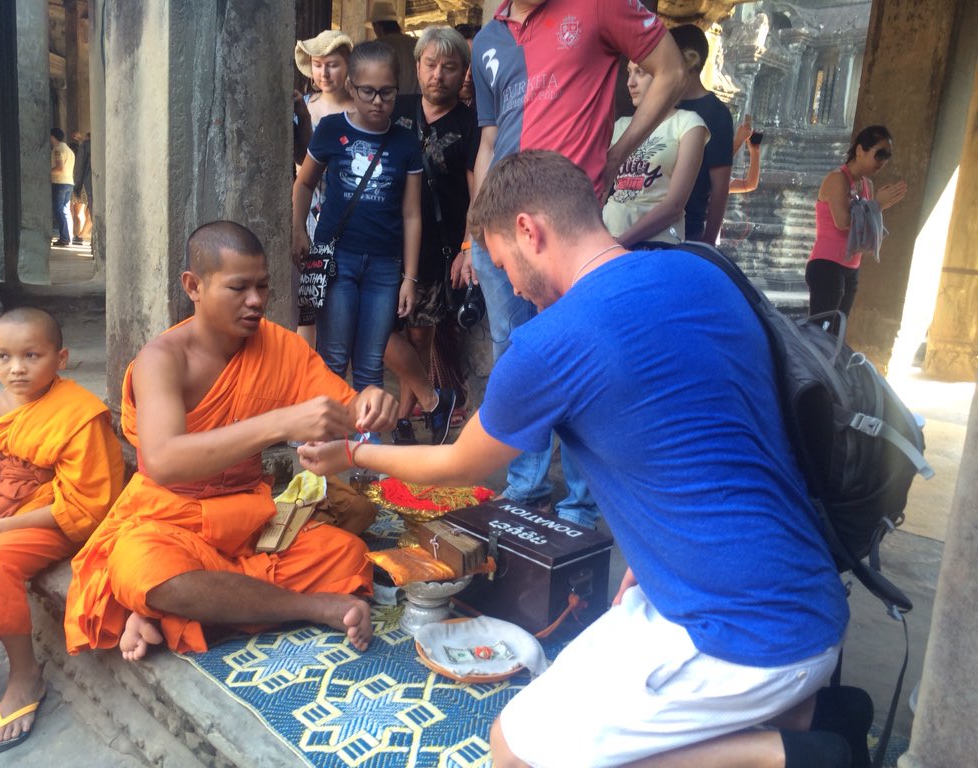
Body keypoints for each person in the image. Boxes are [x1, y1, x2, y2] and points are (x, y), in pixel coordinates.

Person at [298, 151, 854, 768]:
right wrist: (654, 552)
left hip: (743, 636)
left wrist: (354, 452)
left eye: (503, 261)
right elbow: (715, 433)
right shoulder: (700, 274)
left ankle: (789, 753)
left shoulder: (552, 342)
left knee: (514, 751)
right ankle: (810, 713)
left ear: (531, 231)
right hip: (804, 596)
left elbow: (457, 465)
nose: (506, 283)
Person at [63, 222, 398, 662]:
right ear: (194, 286)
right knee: (144, 568)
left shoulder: (280, 347)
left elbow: (345, 411)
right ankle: (312, 608)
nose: (256, 301)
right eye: (239, 287)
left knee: (347, 555)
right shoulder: (162, 359)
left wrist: (372, 402)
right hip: (169, 519)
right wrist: (278, 423)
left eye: (263, 286)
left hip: (249, 520)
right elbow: (161, 461)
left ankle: (173, 612)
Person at [464, 0, 686, 529]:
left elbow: (670, 72)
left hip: (562, 229)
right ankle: (525, 490)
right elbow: (490, 139)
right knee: (516, 355)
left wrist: (616, 152)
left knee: (582, 361)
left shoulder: (598, 5)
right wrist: (474, 227)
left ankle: (581, 506)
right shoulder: (489, 38)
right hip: (500, 228)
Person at [0, 308, 124, 753]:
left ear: (61, 358)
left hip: (56, 517)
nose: (17, 368)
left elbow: (88, 503)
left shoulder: (82, 414)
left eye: (32, 355)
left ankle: (26, 676)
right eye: (3, 356)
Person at [292, 42, 423, 392]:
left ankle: (365, 441)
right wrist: (298, 231)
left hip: (384, 266)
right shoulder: (331, 129)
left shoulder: (407, 143)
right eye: (368, 92)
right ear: (352, 87)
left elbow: (412, 214)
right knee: (333, 359)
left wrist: (409, 278)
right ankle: (325, 441)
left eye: (387, 92)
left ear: (398, 89)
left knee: (370, 364)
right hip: (336, 260)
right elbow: (304, 184)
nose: (378, 101)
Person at [384, 25, 479, 446]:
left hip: (435, 249)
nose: (437, 74)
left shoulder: (471, 123)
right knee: (372, 331)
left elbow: (478, 190)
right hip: (384, 240)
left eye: (449, 66)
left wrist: (468, 245)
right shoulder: (395, 110)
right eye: (430, 64)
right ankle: (431, 398)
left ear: (463, 74)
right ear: (416, 66)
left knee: (420, 334)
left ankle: (403, 418)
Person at [291, 29, 356, 341]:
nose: (324, 72)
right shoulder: (303, 106)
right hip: (309, 216)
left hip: (349, 218)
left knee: (340, 302)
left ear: (347, 66)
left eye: (332, 64)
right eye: (318, 64)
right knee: (308, 303)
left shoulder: (361, 111)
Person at [602, 60, 708, 246]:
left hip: (657, 243)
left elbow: (674, 206)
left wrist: (619, 245)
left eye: (640, 72)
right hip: (606, 236)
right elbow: (599, 189)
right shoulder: (620, 125)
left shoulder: (687, 123)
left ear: (664, 78)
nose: (630, 82)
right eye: (629, 72)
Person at [806, 125, 907, 318]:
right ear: (860, 151)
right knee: (821, 335)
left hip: (851, 268)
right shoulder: (837, 179)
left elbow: (865, 225)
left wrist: (879, 206)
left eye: (888, 156)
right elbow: (843, 221)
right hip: (828, 265)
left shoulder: (867, 185)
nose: (883, 161)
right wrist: (877, 205)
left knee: (836, 336)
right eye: (880, 154)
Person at [671, 24, 735, 244]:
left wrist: (708, 242)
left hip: (688, 231)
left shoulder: (717, 114)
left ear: (689, 59)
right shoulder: (658, 106)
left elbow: (720, 187)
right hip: (642, 222)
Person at [367, 1, 420, 96]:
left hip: (389, 104)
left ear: (377, 26)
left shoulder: (376, 47)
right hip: (417, 103)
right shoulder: (416, 44)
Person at [50, 128, 75, 246]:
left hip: (59, 183)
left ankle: (64, 237)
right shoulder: (69, 150)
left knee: (58, 210)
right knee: (65, 210)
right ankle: (67, 235)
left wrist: (47, 171)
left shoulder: (58, 150)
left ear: (52, 137)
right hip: (69, 182)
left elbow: (60, 168)